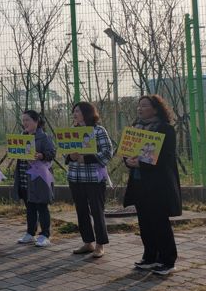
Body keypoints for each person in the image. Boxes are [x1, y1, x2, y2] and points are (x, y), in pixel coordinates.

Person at [124, 94, 181, 276]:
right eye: (139, 106)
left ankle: (167, 260)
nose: (140, 109)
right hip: (139, 183)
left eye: (145, 106)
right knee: (144, 221)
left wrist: (142, 164)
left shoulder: (165, 129)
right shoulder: (135, 128)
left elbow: (166, 158)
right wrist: (129, 161)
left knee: (159, 221)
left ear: (156, 109)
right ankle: (150, 257)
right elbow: (127, 152)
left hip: (158, 184)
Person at [67, 102, 113, 259]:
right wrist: (69, 156)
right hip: (75, 177)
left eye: (78, 111)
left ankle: (100, 244)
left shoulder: (99, 131)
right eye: (74, 111)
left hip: (94, 178)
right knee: (81, 210)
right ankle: (88, 242)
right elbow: (64, 151)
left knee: (96, 211)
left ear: (87, 113)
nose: (74, 113)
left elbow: (107, 152)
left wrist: (85, 159)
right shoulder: (71, 131)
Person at [14, 110, 56, 247]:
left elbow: (52, 153)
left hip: (39, 178)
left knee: (42, 206)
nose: (24, 123)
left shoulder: (44, 138)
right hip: (25, 177)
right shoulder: (22, 137)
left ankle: (45, 235)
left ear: (36, 122)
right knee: (30, 206)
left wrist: (42, 155)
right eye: (23, 120)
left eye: (27, 120)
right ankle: (30, 233)